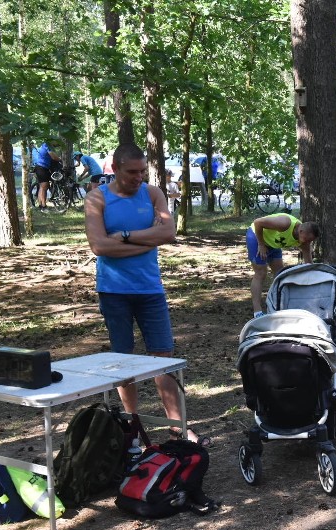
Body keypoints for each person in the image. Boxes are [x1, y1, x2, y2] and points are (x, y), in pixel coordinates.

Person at [84, 142, 210, 447]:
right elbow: (100, 247)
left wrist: (126, 237)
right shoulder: (96, 199)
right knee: (123, 359)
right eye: (132, 172)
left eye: (142, 171)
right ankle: (132, 426)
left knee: (163, 358)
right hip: (113, 290)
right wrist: (147, 240)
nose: (139, 177)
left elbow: (168, 234)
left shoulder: (153, 193)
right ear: (114, 169)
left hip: (150, 289)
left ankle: (176, 426)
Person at [247, 213, 319, 318]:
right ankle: (257, 312)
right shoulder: (284, 224)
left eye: (311, 241)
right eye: (308, 239)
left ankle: (277, 306)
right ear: (301, 231)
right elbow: (257, 222)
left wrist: (314, 280)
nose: (309, 243)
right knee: (261, 273)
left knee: (280, 274)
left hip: (274, 243)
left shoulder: (305, 242)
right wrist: (261, 244)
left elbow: (309, 265)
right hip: (257, 237)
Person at [32, 141, 61, 210]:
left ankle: (41, 204)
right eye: (56, 145)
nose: (56, 146)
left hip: (45, 168)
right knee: (44, 186)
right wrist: (60, 159)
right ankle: (43, 206)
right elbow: (53, 157)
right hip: (41, 167)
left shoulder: (48, 146)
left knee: (44, 186)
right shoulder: (47, 145)